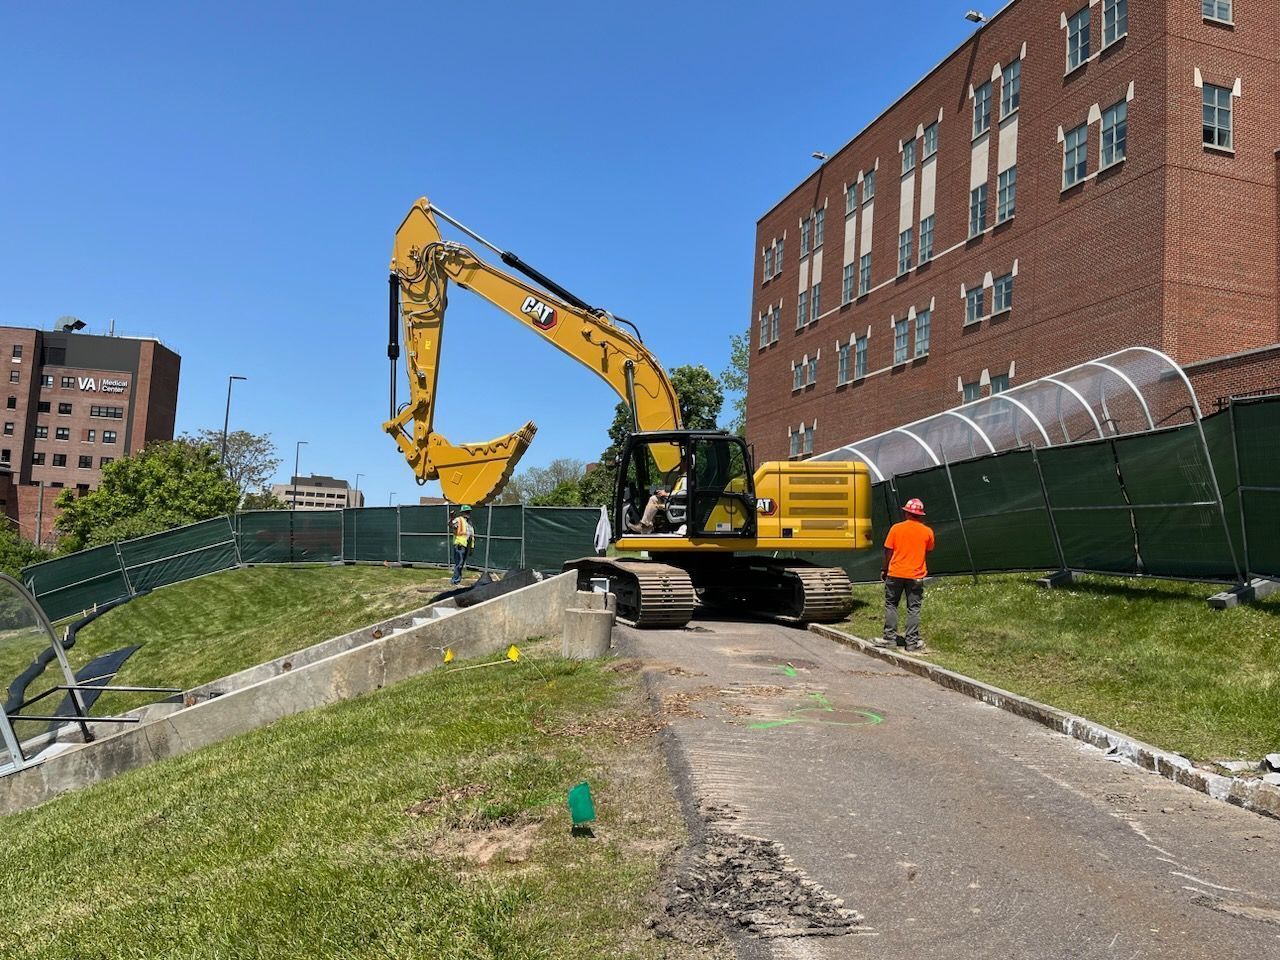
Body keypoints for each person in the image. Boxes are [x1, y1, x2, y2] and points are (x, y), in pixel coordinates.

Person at [879, 498, 935, 652]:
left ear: (907, 513)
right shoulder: (927, 532)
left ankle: (889, 639)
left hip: (895, 573)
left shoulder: (896, 529)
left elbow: (888, 551)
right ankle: (911, 643)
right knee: (914, 609)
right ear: (920, 515)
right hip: (916, 575)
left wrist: (884, 569)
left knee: (891, 605)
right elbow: (928, 550)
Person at [450, 504, 475, 585]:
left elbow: (471, 536)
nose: (468, 513)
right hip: (459, 544)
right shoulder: (459, 520)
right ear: (463, 512)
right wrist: (451, 517)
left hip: (466, 545)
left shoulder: (469, 523)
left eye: (469, 512)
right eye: (466, 512)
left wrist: (471, 548)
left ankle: (457, 579)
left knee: (461, 564)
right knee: (459, 564)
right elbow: (451, 525)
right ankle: (455, 581)